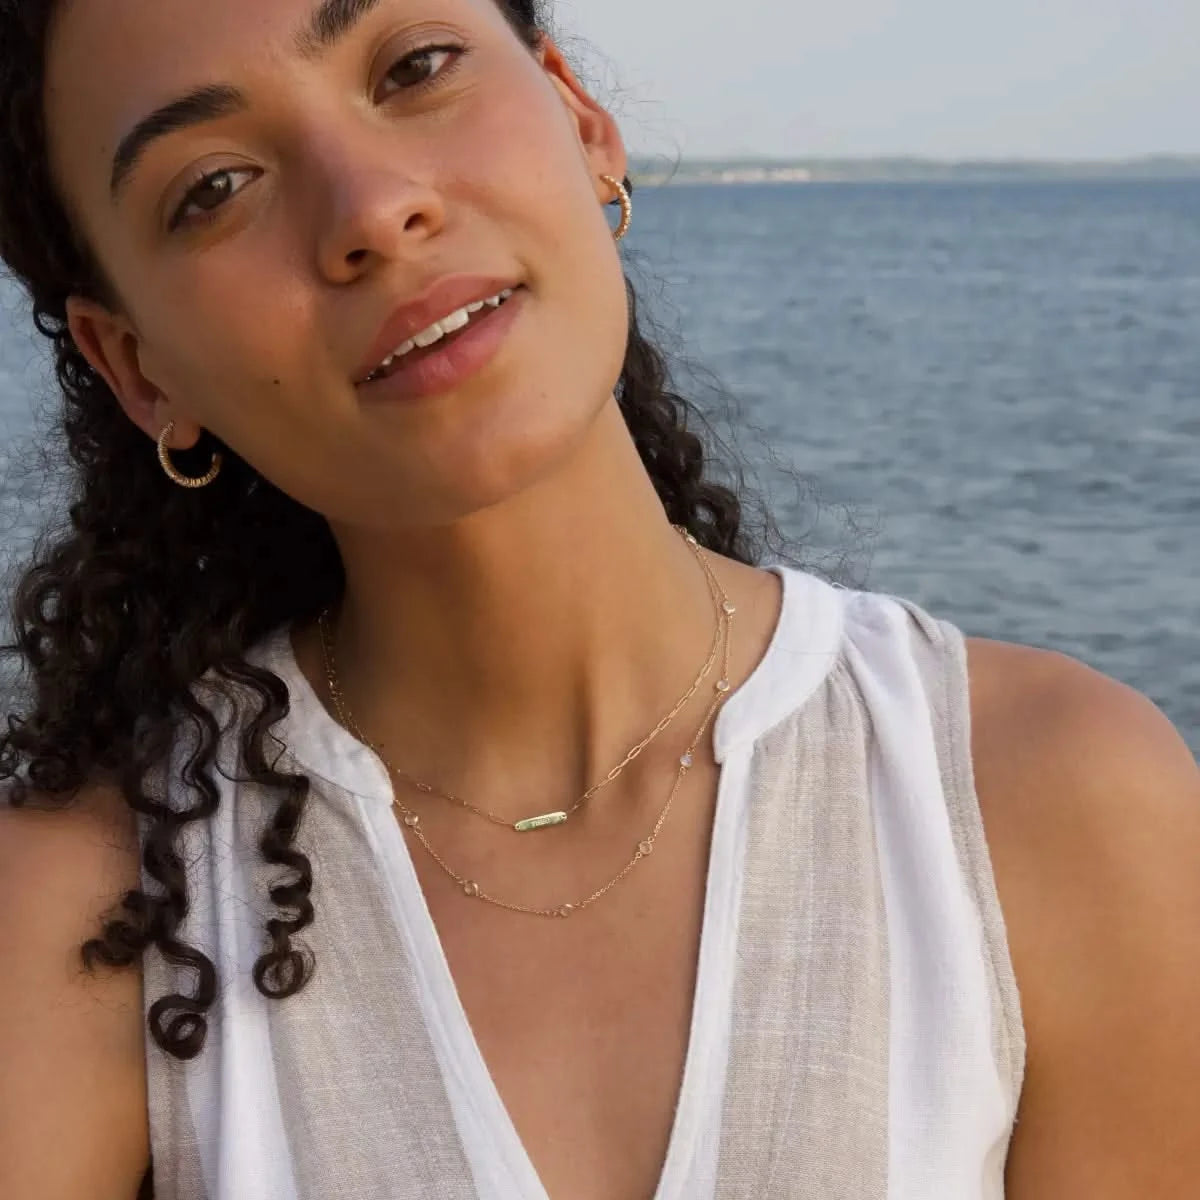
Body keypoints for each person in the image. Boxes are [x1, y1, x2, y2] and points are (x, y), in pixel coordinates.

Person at [0, 0, 1197, 1197]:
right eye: (212, 187)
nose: (371, 209)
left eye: (415, 66)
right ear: (138, 368)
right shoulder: (85, 921)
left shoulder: (1041, 801)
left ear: (580, 121)